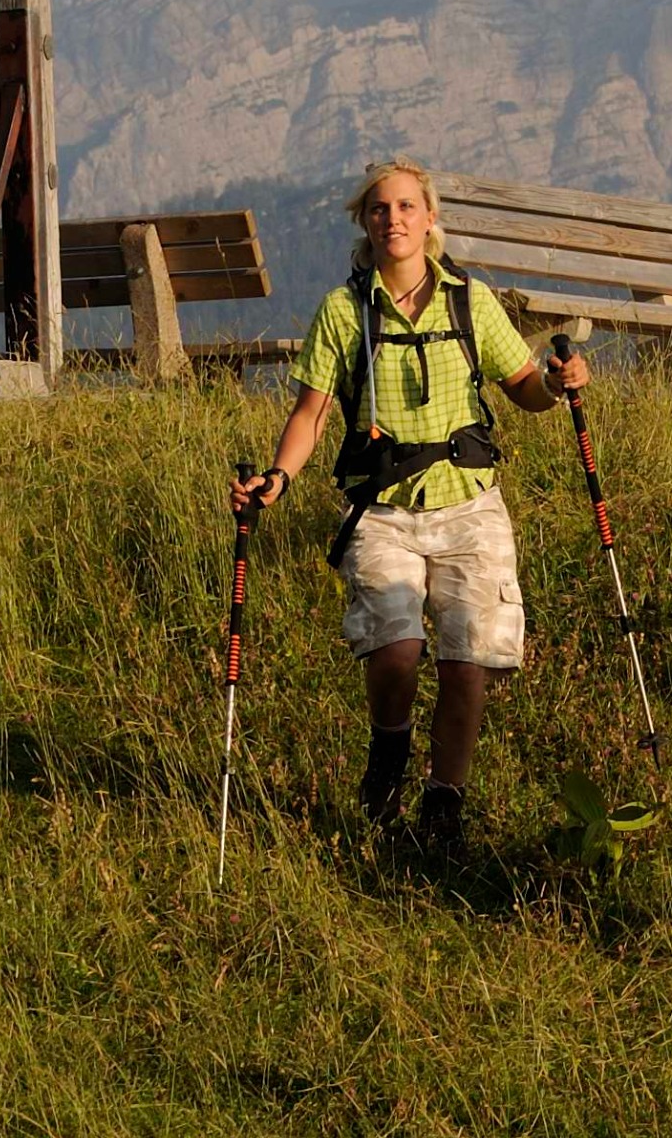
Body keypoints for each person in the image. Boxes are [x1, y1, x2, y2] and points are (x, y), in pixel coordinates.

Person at [230, 157, 584, 852]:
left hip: (470, 503)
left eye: (405, 208)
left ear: (429, 218)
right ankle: (389, 753)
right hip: (383, 509)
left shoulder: (469, 301)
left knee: (466, 660)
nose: (393, 219)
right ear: (365, 222)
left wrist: (559, 381)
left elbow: (525, 391)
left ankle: (443, 804)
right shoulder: (344, 310)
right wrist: (277, 477)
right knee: (395, 652)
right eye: (379, 210)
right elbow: (310, 414)